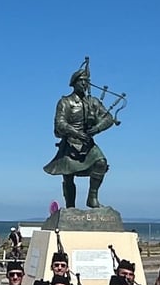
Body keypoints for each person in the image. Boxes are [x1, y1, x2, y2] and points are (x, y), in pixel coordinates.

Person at [43, 62, 117, 209]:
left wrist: (96, 128)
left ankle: (92, 198)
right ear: (75, 83)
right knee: (68, 175)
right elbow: (60, 123)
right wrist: (75, 132)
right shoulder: (65, 102)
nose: (85, 84)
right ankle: (70, 206)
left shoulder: (93, 102)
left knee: (101, 162)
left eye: (87, 82)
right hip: (70, 143)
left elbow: (109, 118)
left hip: (88, 144)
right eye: (82, 81)